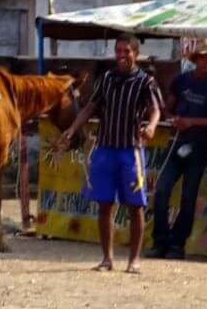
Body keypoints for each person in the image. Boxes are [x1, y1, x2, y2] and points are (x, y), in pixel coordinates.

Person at [57, 34, 163, 274]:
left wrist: (152, 126)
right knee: (105, 205)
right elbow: (90, 107)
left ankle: (134, 260)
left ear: (136, 53)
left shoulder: (145, 81)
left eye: (127, 51)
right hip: (105, 148)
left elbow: (155, 109)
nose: (122, 55)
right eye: (118, 51)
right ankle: (107, 258)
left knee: (135, 206)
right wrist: (72, 129)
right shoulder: (106, 79)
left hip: (130, 150)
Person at [149, 39, 207, 259]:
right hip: (176, 142)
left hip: (198, 144)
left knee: (188, 196)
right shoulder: (180, 81)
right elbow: (166, 108)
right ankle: (160, 241)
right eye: (203, 58)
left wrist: (192, 122)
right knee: (162, 190)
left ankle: (177, 244)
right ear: (196, 59)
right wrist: (173, 118)